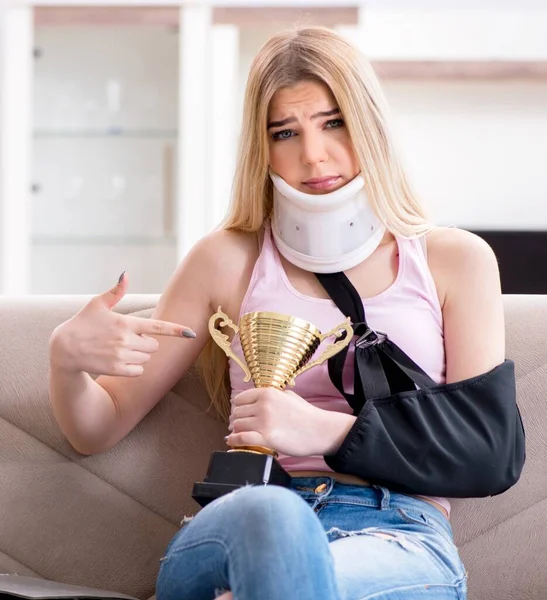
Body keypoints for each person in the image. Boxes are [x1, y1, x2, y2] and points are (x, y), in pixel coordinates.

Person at [49, 26, 505, 600]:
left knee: (296, 574)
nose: (313, 154)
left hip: (398, 534)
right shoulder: (224, 259)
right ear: (261, 148)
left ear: (369, 123)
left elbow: (484, 450)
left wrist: (322, 430)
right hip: (247, 519)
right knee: (275, 521)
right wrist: (65, 361)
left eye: (333, 121)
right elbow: (99, 425)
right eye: (284, 132)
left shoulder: (456, 260)